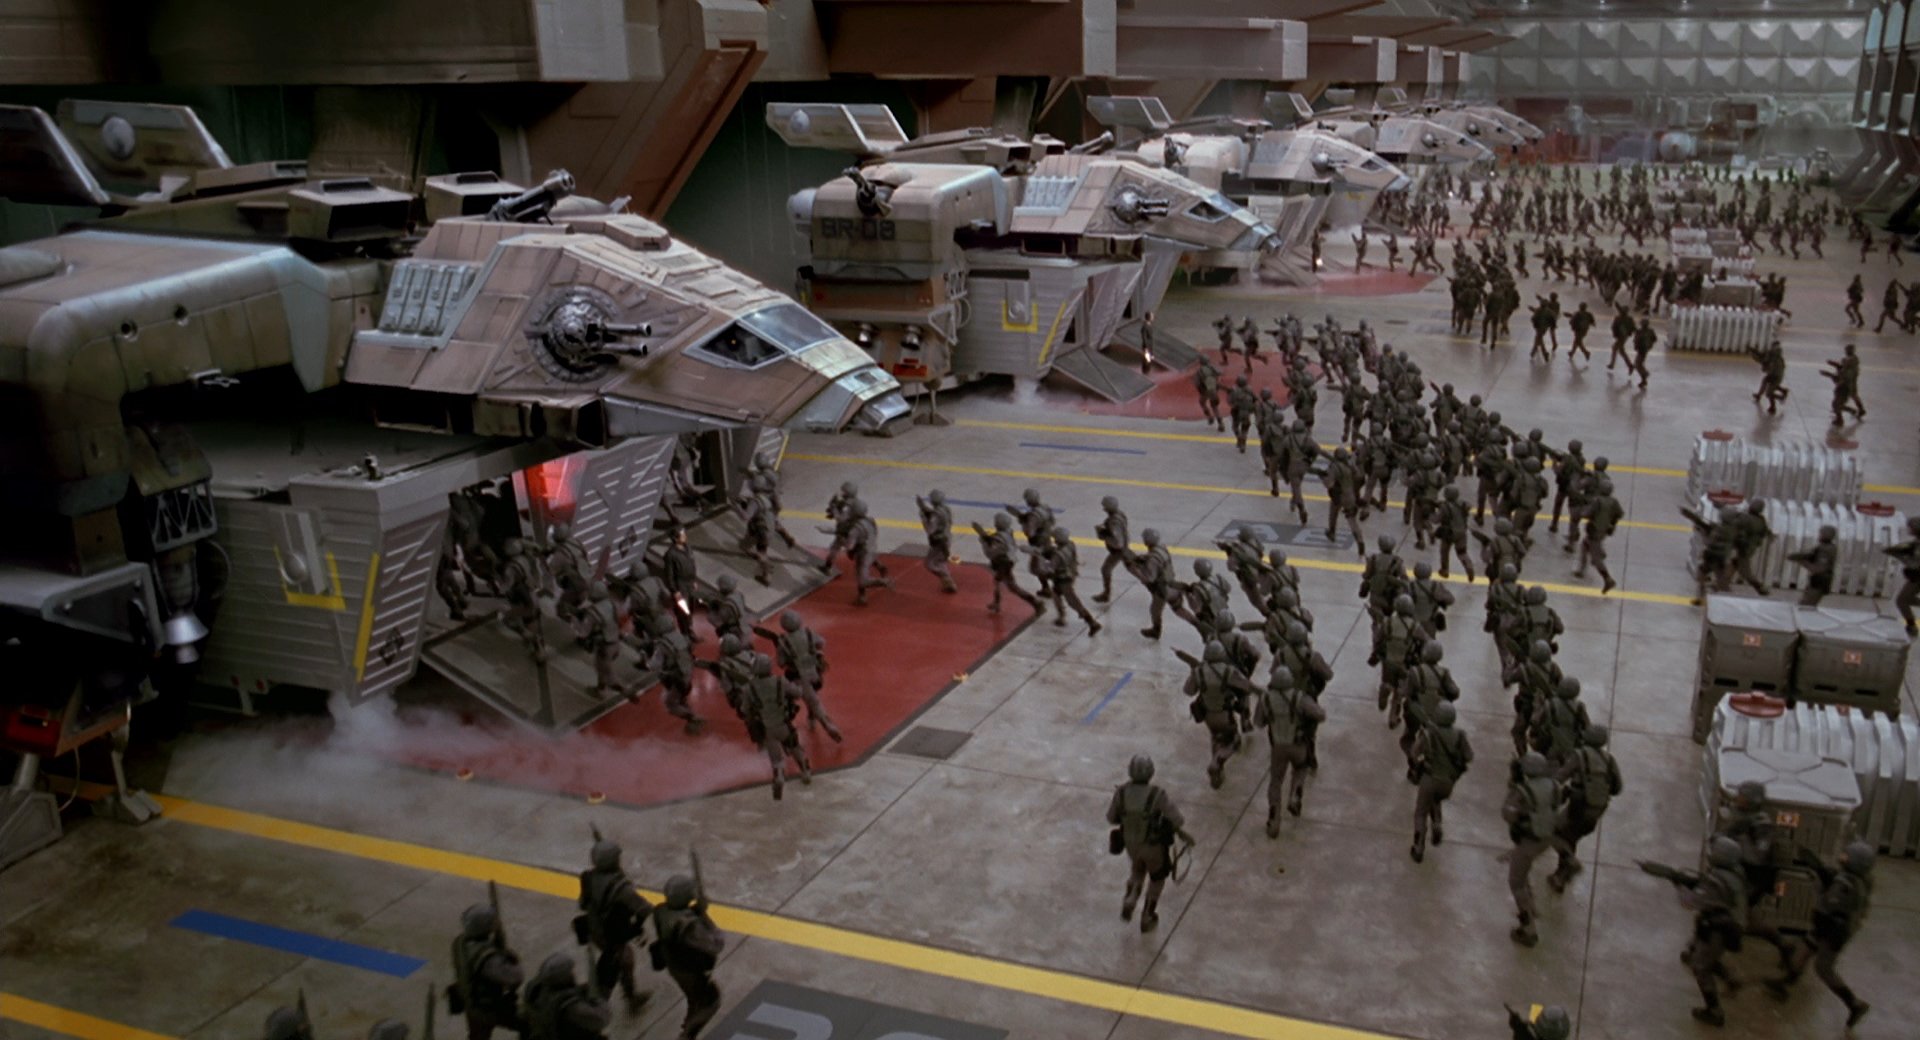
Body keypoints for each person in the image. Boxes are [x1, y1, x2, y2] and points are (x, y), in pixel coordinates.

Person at [1767, 842, 1874, 1030]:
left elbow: (1827, 903)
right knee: (1803, 950)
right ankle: (1785, 982)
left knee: (1823, 968)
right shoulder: (1855, 880)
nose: (1842, 856)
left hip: (1833, 930)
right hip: (1829, 926)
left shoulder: (1845, 886)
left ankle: (1854, 1004)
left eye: (1846, 855)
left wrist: (1818, 883)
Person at [1643, 837, 1748, 1027]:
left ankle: (1714, 1010)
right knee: (1705, 955)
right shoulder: (1734, 874)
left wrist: (1678, 884)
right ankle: (1730, 979)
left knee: (1701, 967)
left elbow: (1688, 902)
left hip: (1715, 929)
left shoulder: (1715, 882)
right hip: (1726, 925)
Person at [1106, 754, 1192, 933]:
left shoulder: (1121, 792)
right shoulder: (1157, 794)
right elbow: (1177, 819)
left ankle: (1130, 897)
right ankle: (1147, 915)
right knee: (1157, 877)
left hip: (1131, 845)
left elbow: (1111, 818)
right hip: (1153, 846)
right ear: (1151, 772)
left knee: (1137, 869)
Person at [576, 836, 652, 1010]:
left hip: (593, 928)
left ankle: (626, 994)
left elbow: (582, 904)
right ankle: (624, 997)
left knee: (618, 959)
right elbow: (645, 909)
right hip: (611, 933)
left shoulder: (587, 877)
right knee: (623, 960)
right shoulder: (622, 889)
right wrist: (637, 927)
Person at [1502, 751, 1567, 947]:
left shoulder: (1522, 790)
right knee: (1524, 873)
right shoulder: (1554, 785)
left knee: (1516, 882)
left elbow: (1508, 814)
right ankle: (1530, 903)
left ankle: (1528, 928)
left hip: (1528, 840)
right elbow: (1558, 803)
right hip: (1547, 838)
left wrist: (1514, 787)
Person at [649, 874, 725, 1040]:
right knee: (711, 1002)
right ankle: (687, 1035)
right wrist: (704, 916)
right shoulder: (690, 925)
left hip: (673, 965)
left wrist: (696, 910)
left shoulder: (661, 910)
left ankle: (688, 1025)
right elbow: (716, 944)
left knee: (694, 999)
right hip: (690, 970)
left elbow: (677, 919)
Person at [1547, 725, 1620, 892]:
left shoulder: (1579, 756)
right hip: (1597, 809)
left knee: (1552, 831)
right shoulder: (1609, 759)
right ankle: (1560, 877)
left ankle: (1570, 863)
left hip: (1579, 806)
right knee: (1570, 837)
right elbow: (1617, 788)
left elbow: (1559, 777)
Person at [1254, 665, 1324, 840]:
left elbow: (1258, 722)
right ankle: (1294, 794)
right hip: (1298, 744)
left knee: (1276, 782)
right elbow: (1320, 715)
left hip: (1278, 747)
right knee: (1301, 768)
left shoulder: (1265, 698)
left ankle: (1274, 819)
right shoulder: (1299, 698)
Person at [1186, 641, 1256, 788]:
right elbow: (1246, 687)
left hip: (1207, 714)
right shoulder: (1228, 671)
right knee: (1234, 742)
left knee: (1216, 738)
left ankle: (1217, 774)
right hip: (1224, 713)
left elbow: (1188, 690)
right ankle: (1217, 762)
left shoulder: (1199, 671)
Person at [451, 902, 525, 1040]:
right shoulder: (488, 958)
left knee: (477, 1035)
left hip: (470, 1001)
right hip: (488, 1008)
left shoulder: (459, 943)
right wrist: (509, 956)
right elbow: (516, 978)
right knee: (530, 1023)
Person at [1409, 701, 1470, 863]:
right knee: (1436, 800)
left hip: (1430, 778)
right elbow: (1469, 756)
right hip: (1448, 782)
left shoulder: (1428, 734)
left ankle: (1418, 847)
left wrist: (1419, 764)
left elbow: (1414, 753)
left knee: (1420, 813)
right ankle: (1437, 824)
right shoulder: (1460, 735)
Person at [768, 611, 842, 743]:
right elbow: (821, 643)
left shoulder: (783, 642)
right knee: (813, 697)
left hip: (798, 676)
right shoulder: (808, 633)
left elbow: (781, 663)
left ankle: (826, 723)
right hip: (815, 673)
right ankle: (811, 717)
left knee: (813, 701)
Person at [744, 655, 811, 798]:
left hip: (767, 728)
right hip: (784, 723)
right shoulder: (780, 681)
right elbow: (798, 693)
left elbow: (745, 710)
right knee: (795, 748)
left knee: (776, 758)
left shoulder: (749, 688)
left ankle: (779, 775)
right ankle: (805, 772)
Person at [521, 955, 611, 1040]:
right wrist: (597, 998)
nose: (573, 975)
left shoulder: (538, 993)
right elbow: (602, 1019)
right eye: (570, 972)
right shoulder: (571, 1007)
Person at [972, 513, 1041, 615]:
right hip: (1007, 561)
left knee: (1012, 587)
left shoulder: (998, 538)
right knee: (998, 581)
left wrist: (984, 542)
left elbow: (991, 552)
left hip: (1003, 563)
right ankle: (996, 603)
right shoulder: (1008, 533)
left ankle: (1035, 602)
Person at [916, 490, 958, 593]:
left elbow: (930, 529)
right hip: (947, 537)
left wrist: (923, 516)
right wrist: (923, 508)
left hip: (939, 541)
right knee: (941, 561)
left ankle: (946, 578)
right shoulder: (946, 509)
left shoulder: (935, 515)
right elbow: (934, 513)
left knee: (930, 563)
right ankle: (947, 582)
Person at [1883, 516, 1920, 634]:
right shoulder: (1916, 542)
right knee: (1906, 599)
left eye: (1910, 527)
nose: (1908, 529)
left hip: (1917, 577)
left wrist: (1899, 556)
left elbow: (1914, 564)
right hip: (1915, 576)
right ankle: (1911, 625)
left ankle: (1912, 626)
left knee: (1902, 600)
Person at [1790, 525, 1839, 607]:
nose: (1819, 536)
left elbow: (1818, 569)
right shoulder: (1825, 547)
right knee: (1805, 604)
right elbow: (1811, 555)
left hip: (1819, 582)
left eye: (1821, 534)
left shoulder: (1826, 550)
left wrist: (1801, 561)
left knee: (1806, 606)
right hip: (1818, 581)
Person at [1092, 496, 1130, 603]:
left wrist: (1103, 534)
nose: (1104, 509)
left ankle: (1106, 594)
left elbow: (1117, 542)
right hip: (1124, 548)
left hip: (1118, 551)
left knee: (1106, 569)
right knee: (1134, 569)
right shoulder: (1120, 514)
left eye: (1105, 507)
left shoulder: (1114, 521)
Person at [1823, 344, 1865, 426]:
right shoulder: (1852, 362)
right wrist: (1835, 365)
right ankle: (1858, 410)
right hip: (1847, 385)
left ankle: (1843, 416)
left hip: (1845, 387)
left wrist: (1829, 374)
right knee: (1852, 397)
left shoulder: (1850, 365)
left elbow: (1843, 375)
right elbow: (1842, 368)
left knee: (1837, 404)